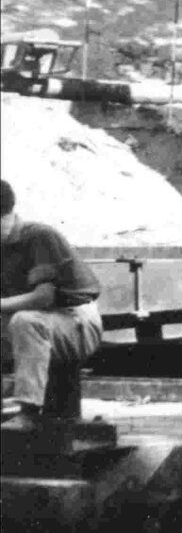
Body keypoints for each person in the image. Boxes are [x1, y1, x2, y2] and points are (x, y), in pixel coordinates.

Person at [1, 179, 103, 423]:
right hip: (43, 324)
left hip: (75, 321)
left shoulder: (39, 237)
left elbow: (43, 297)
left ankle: (27, 408)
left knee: (26, 321)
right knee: (23, 321)